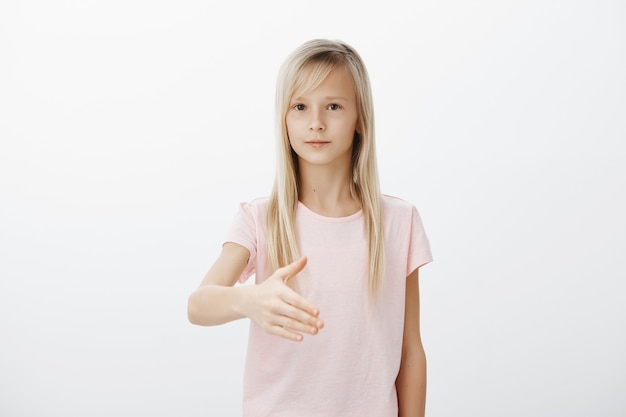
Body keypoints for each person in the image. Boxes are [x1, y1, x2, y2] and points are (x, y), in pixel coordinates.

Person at [188, 39, 433, 417]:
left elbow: (410, 349)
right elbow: (198, 305)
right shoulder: (261, 217)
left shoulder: (398, 221)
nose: (316, 122)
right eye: (300, 107)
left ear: (360, 119)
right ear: (284, 120)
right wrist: (248, 301)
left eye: (333, 106)